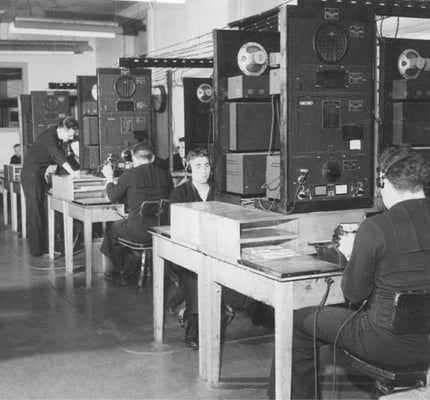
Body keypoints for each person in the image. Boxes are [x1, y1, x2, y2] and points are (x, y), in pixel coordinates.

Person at [268, 144, 430, 399]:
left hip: (385, 343)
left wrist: (354, 254)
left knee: (296, 322)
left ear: (383, 181)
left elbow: (354, 294)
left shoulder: (375, 227)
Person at [100, 142, 173, 285]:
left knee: (113, 228)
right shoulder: (165, 174)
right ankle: (132, 263)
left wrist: (109, 178)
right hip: (162, 231)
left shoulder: (129, 174)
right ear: (152, 159)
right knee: (124, 225)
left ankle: (117, 270)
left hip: (138, 233)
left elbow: (112, 197)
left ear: (134, 159)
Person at [21, 116, 79, 257]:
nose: (71, 138)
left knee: (42, 211)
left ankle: (45, 247)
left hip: (38, 176)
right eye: (70, 135)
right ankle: (36, 251)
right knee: (35, 213)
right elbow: (56, 155)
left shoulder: (56, 135)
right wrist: (73, 173)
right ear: (63, 129)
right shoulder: (49, 137)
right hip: (30, 177)